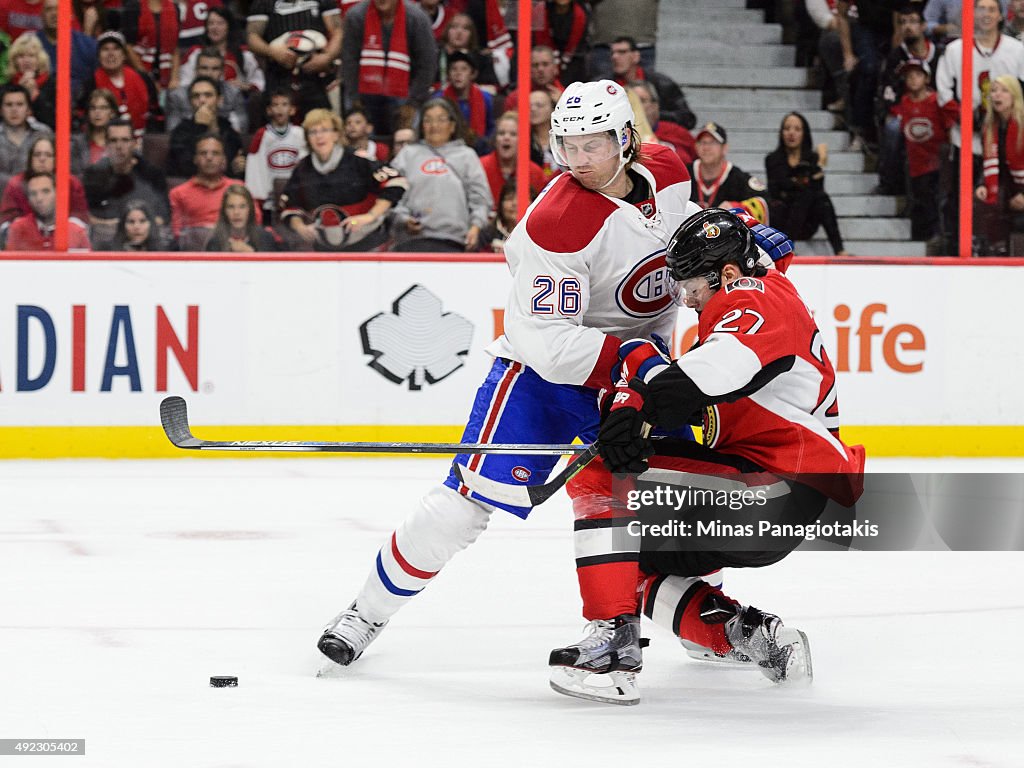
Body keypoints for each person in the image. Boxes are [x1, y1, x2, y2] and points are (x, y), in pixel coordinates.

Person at [313, 79, 707, 672]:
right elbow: (551, 343)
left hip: (641, 373)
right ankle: (365, 612)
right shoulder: (556, 222)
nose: (577, 160)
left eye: (592, 145)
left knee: (677, 499)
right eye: (567, 145)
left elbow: (683, 239)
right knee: (462, 509)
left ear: (625, 139)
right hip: (545, 378)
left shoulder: (671, 170)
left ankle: (711, 623)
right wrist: (633, 361)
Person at [546, 207, 864, 705]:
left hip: (777, 491)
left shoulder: (760, 298)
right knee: (629, 555)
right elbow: (693, 397)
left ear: (729, 274)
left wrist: (637, 413)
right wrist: (632, 405)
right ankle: (749, 635)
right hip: (766, 493)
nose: (687, 299)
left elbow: (705, 377)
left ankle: (612, 643)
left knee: (601, 475)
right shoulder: (743, 310)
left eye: (693, 285)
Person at [935, 0, 1024, 253]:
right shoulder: (955, 50)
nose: (986, 14)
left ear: (1000, 15)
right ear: (971, 14)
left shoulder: (1017, 50)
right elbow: (943, 93)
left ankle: (997, 249)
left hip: (1006, 142)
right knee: (956, 198)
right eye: (980, 8)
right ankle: (955, 247)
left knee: (1002, 202)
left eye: (991, 9)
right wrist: (967, 119)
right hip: (965, 140)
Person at [279, 109, 407, 251]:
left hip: (369, 245)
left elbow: (396, 181)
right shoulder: (303, 168)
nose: (319, 136)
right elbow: (290, 205)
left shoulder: (358, 160)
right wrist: (300, 227)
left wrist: (370, 216)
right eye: (312, 132)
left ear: (336, 134)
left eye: (324, 130)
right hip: (325, 249)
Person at [388, 97, 491, 251]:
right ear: (421, 126)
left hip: (454, 242)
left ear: (452, 125)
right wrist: (403, 218)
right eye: (428, 120)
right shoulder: (407, 154)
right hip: (410, 242)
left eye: (441, 119)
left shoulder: (467, 156)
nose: (434, 126)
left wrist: (475, 227)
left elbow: (481, 199)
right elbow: (390, 194)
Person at [874, 3, 944, 195]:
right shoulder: (896, 57)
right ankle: (890, 183)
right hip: (906, 112)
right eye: (903, 22)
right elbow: (887, 93)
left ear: (923, 26)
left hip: (936, 113)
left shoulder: (939, 55)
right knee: (892, 127)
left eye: (913, 22)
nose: (907, 27)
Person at [341, 0, 438, 136]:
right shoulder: (355, 16)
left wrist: (413, 103)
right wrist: (355, 99)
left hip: (406, 91)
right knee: (356, 127)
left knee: (406, 137)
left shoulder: (417, 18)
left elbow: (427, 64)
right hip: (364, 90)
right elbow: (349, 62)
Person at [890, 58, 956, 243]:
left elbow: (950, 124)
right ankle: (921, 235)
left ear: (927, 78)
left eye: (917, 75)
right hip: (915, 162)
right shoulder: (904, 102)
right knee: (920, 198)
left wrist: (948, 155)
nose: (912, 79)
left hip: (936, 161)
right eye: (909, 76)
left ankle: (937, 234)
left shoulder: (937, 100)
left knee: (934, 199)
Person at [765, 111, 847, 255]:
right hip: (782, 218)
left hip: (806, 220)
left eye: (797, 129)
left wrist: (818, 165)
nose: (791, 133)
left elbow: (817, 189)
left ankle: (839, 250)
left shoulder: (812, 158)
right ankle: (786, 248)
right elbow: (778, 188)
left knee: (821, 199)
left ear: (804, 133)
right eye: (787, 128)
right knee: (802, 194)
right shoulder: (772, 159)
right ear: (781, 133)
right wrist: (806, 178)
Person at [82, 118, 170, 248]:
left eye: (125, 140)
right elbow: (87, 218)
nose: (119, 146)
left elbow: (162, 218)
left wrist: (117, 225)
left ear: (134, 144)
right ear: (106, 145)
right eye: (113, 140)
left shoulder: (152, 174)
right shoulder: (93, 174)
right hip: (104, 247)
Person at [246, 0, 342, 116]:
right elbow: (252, 37)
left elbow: (338, 31)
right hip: (279, 76)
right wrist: (272, 52)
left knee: (319, 122)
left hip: (317, 77)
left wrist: (327, 57)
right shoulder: (263, 3)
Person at [975, 74, 1024, 254]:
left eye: (1004, 91)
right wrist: (981, 184)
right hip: (1008, 191)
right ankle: (990, 250)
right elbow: (988, 163)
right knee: (982, 201)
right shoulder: (989, 127)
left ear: (1015, 96)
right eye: (994, 91)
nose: (997, 95)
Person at [245, 88, 308, 224]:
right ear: (269, 110)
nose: (280, 109)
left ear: (292, 110)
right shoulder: (262, 135)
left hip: (295, 193)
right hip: (271, 197)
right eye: (275, 105)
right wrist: (260, 196)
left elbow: (305, 166)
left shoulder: (300, 134)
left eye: (284, 104)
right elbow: (257, 167)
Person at [608, 36, 695, 130]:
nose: (615, 57)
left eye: (622, 52)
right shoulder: (604, 85)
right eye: (613, 53)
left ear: (636, 56)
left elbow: (688, 119)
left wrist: (653, 114)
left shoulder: (662, 84)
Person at [0, 134, 89, 224]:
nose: (42, 159)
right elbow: (6, 220)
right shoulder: (16, 184)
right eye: (37, 155)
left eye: (48, 155)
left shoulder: (71, 183)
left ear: (56, 159)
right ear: (30, 158)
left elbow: (80, 217)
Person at [167, 76, 245, 180]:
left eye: (208, 95)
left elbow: (232, 167)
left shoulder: (229, 130)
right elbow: (185, 168)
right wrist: (200, 128)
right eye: (196, 96)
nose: (202, 100)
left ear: (220, 100)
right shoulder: (180, 132)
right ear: (190, 102)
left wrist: (241, 167)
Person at [689, 121, 768, 222]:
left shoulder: (738, 178)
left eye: (713, 143)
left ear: (725, 148)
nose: (706, 147)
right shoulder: (684, 173)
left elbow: (765, 201)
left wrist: (739, 208)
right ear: (696, 147)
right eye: (702, 142)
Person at [169, 133, 236, 249]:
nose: (209, 158)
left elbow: (252, 226)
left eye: (215, 153)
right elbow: (176, 233)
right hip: (193, 254)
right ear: (195, 158)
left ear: (223, 159)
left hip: (232, 251)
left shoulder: (238, 189)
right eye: (203, 153)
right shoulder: (178, 193)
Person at [179, 7, 264, 96]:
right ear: (206, 27)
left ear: (229, 27)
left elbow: (259, 83)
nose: (215, 28)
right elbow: (184, 83)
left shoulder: (244, 54)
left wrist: (246, 86)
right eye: (211, 23)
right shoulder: (195, 53)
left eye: (220, 23)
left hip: (235, 104)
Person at [165, 47, 249, 133]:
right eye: (204, 68)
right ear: (196, 70)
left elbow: (242, 130)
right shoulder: (177, 96)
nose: (209, 74)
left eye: (215, 69)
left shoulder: (234, 93)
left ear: (223, 71)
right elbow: (172, 131)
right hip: (187, 142)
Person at [479, 111, 548, 211]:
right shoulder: (479, 167)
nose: (506, 138)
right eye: (501, 133)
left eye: (513, 134)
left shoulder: (535, 173)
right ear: (495, 139)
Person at [4, 172, 90, 250]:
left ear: (58, 194)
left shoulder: (76, 232)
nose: (39, 198)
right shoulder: (18, 229)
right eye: (33, 193)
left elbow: (86, 265)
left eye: (46, 191)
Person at [436, 50, 493, 152]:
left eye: (464, 69)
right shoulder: (439, 100)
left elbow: (491, 130)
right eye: (454, 69)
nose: (458, 74)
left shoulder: (486, 99)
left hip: (478, 151)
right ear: (448, 74)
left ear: (473, 74)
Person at [628, 80, 695, 167]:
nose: (636, 106)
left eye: (642, 100)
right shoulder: (618, 136)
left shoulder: (677, 133)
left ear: (655, 105)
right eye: (632, 102)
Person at [205, 183, 280, 251]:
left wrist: (251, 254)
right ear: (224, 211)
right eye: (231, 207)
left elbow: (270, 265)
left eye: (242, 207)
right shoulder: (215, 242)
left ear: (250, 209)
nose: (236, 212)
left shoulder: (265, 238)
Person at [0, 82, 51, 182]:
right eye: (9, 105)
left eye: (20, 104)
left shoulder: (43, 133)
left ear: (28, 109)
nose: (14, 110)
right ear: (1, 110)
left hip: (36, 194)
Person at [71, 88, 119, 175]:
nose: (97, 112)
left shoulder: (120, 143)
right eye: (93, 108)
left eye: (103, 108)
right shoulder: (77, 144)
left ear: (112, 112)